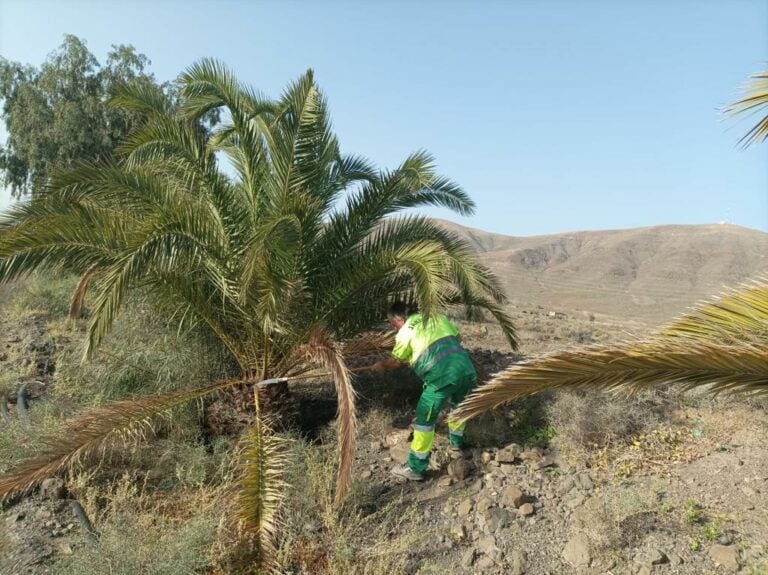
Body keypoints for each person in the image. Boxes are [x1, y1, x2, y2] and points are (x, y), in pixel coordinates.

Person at [372, 301, 477, 481]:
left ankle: (416, 468)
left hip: (441, 378)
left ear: (399, 319)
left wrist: (381, 365)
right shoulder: (436, 317)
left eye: (393, 324)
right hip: (467, 370)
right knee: (459, 408)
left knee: (424, 420)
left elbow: (396, 361)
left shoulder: (405, 331)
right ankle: (457, 446)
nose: (394, 328)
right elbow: (456, 339)